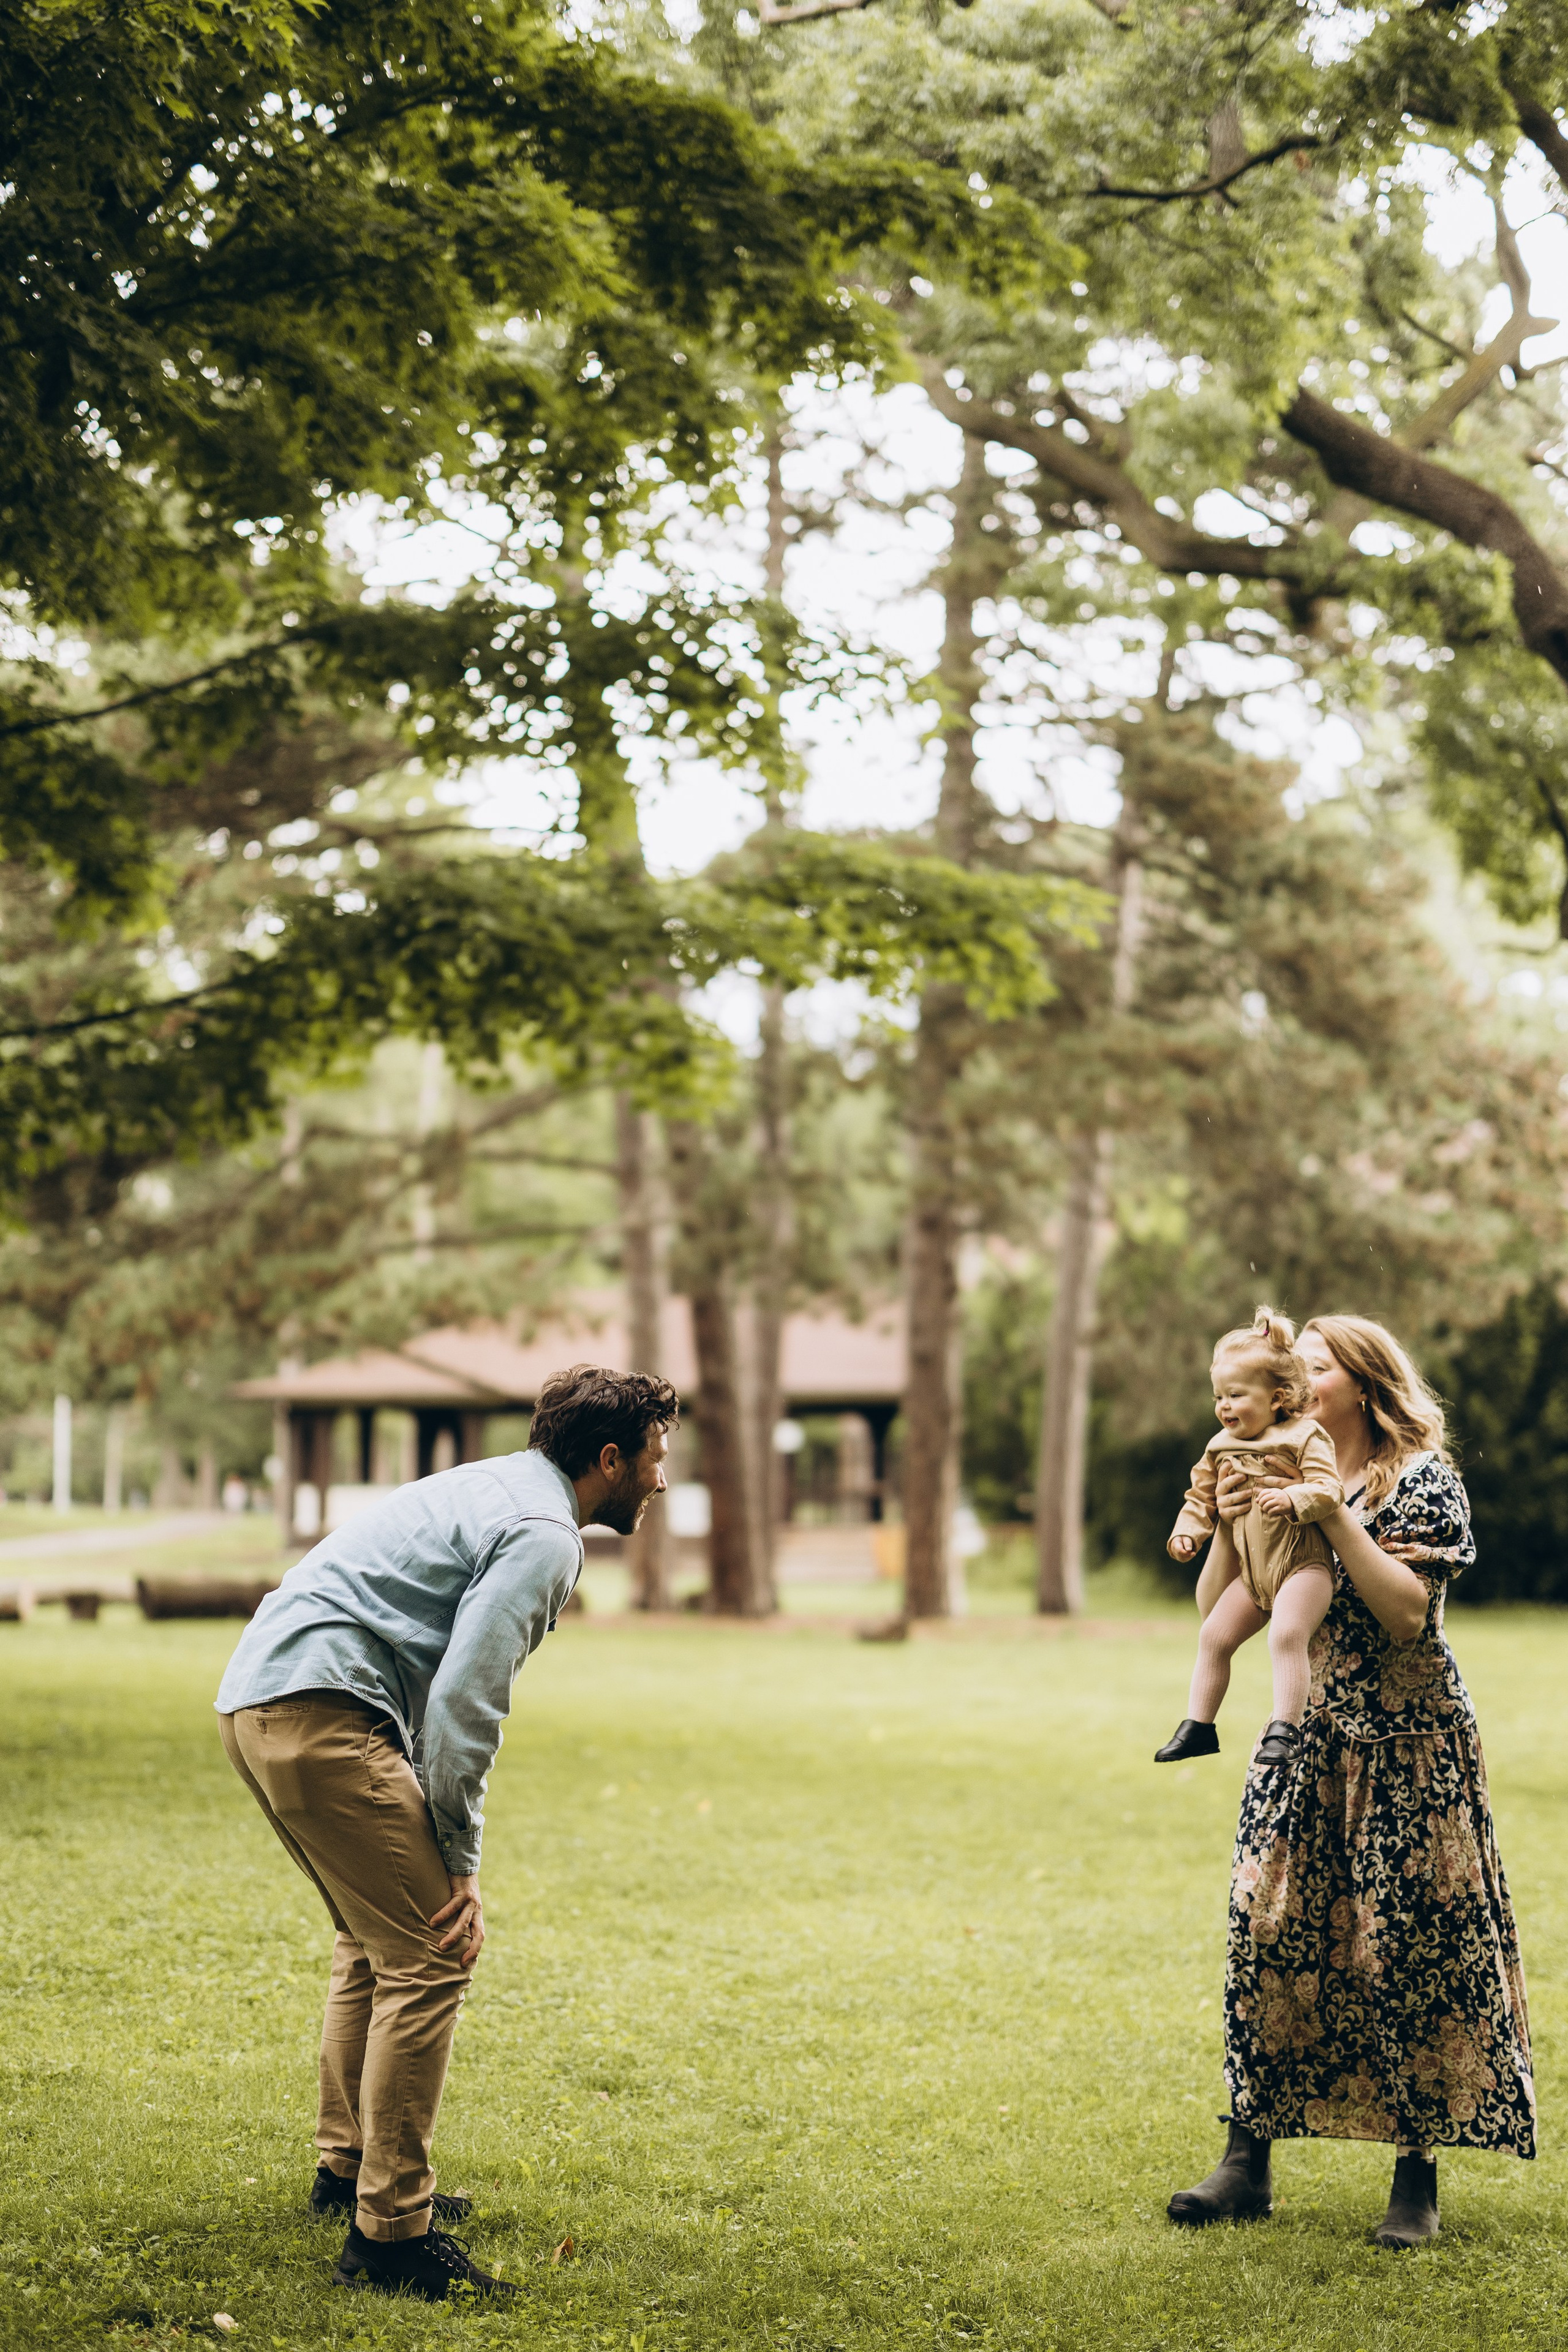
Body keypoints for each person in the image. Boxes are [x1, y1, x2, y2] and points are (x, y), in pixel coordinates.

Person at [215, 1364, 676, 2301]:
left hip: (257, 1701)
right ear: (612, 1459)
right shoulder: (546, 1535)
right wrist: (460, 1861)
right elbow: (468, 1698)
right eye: (658, 1460)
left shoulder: (491, 1483)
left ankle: (349, 2173)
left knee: (371, 1943)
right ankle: (390, 2237)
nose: (663, 1482)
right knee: (432, 1955)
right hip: (322, 1713)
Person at [1166, 1314, 1534, 2248]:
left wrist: (1331, 1514)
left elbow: (1408, 1615)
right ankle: (1246, 2164)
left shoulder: (1423, 1482)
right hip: (1307, 1739)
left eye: (1315, 1366)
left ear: (1359, 1386)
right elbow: (1219, 1607)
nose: (1295, 1375)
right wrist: (1227, 1515)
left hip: (1410, 1748)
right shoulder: (1276, 1458)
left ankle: (1417, 2179)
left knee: (1406, 1953)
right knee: (1264, 1929)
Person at [1156, 1309, 1341, 1767]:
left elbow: (1329, 1490)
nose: (1223, 1407)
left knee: (1286, 1634)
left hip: (1304, 1568)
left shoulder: (1304, 1437)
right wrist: (1187, 1532)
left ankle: (1285, 1728)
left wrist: (1296, 1498)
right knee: (1215, 1636)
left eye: (1236, 1395)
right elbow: (1200, 1499)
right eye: (1219, 1396)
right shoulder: (1220, 1447)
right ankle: (1199, 1726)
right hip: (1254, 1577)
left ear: (1277, 1398)